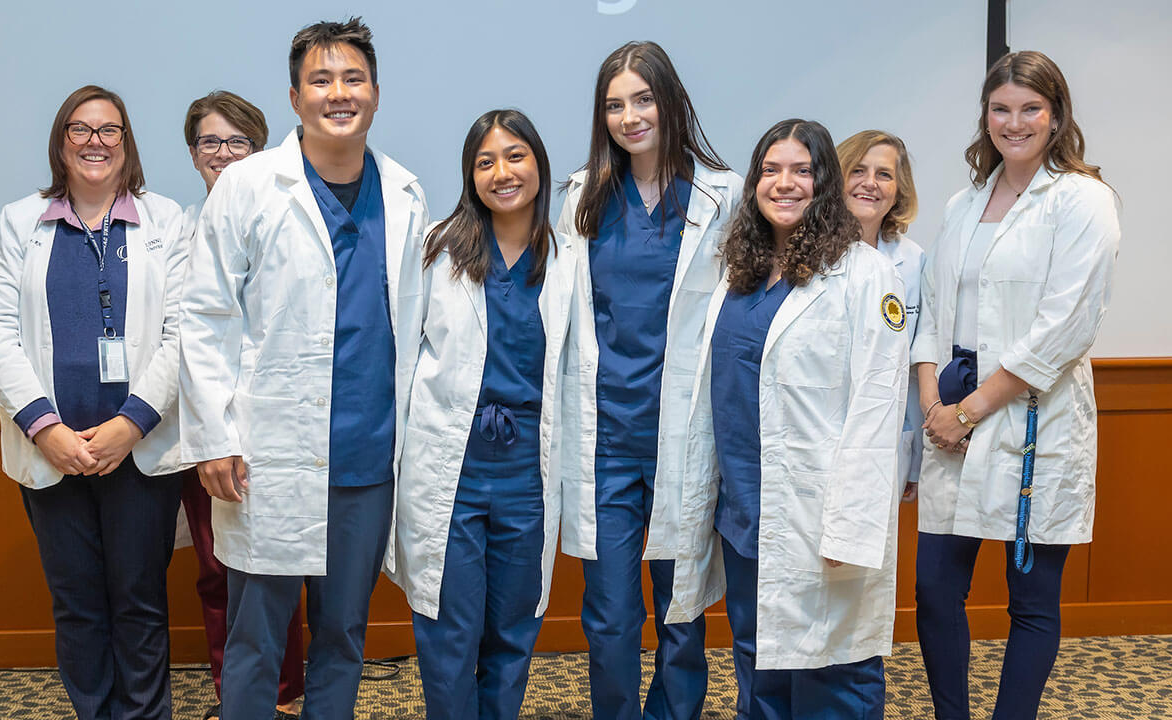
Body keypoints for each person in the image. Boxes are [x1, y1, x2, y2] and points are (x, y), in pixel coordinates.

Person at [177, 18, 428, 720]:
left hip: (367, 457)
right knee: (256, 636)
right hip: (268, 454)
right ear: (294, 97)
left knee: (345, 633)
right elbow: (205, 319)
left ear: (376, 92)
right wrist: (216, 437)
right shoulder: (250, 186)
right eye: (321, 80)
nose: (338, 93)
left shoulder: (405, 193)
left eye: (352, 78)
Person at [913, 50, 1120, 720]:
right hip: (952, 412)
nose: (1015, 121)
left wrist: (970, 411)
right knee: (935, 592)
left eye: (1031, 107)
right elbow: (933, 312)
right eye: (1001, 108)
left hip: (1032, 413)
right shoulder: (963, 203)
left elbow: (1065, 328)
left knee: (1030, 602)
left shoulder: (1084, 200)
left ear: (1056, 114)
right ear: (986, 116)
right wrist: (934, 409)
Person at [680, 118, 909, 719]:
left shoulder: (863, 274)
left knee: (834, 674)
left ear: (825, 183)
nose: (784, 184)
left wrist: (851, 528)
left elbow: (878, 407)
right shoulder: (738, 276)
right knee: (760, 670)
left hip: (819, 521)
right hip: (746, 517)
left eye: (802, 171)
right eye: (770, 170)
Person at [0, 85, 186, 720]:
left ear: (127, 144)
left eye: (110, 130)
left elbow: (183, 334)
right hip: (53, 450)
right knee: (77, 602)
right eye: (80, 129)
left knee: (139, 599)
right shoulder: (20, 220)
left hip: (138, 449)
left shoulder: (167, 220)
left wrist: (131, 423)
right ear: (61, 142)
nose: (96, 141)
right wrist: (44, 428)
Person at [555, 40, 744, 720]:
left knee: (681, 606)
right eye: (614, 105)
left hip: (683, 435)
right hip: (605, 437)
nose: (630, 116)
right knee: (608, 612)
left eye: (642, 99)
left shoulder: (722, 196)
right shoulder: (583, 196)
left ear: (670, 101)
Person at [388, 109, 576, 720]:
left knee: (514, 628)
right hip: (453, 464)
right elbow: (400, 361)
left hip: (527, 472)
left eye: (515, 155)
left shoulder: (570, 260)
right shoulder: (438, 250)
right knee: (448, 628)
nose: (502, 172)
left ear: (539, 165)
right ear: (471, 176)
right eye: (485, 161)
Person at [178, 91, 304, 720]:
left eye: (237, 143)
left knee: (276, 572)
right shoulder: (178, 229)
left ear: (260, 150)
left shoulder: (281, 217)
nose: (222, 155)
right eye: (209, 143)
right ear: (192, 154)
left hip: (267, 431)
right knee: (215, 572)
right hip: (198, 432)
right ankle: (235, 695)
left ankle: (281, 695)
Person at [837, 129, 925, 500]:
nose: (869, 183)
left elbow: (915, 367)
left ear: (898, 189)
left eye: (884, 174)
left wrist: (916, 456)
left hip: (886, 442)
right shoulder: (805, 253)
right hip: (817, 433)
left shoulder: (913, 261)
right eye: (858, 170)